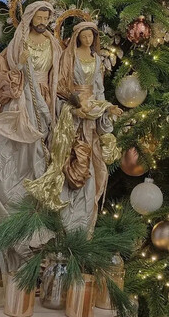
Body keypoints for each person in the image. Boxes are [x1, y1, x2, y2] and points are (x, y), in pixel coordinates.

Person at [0, 1, 63, 272]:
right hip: (22, 103)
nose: (42, 22)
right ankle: (7, 217)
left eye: (46, 18)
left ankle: (33, 227)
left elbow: (57, 75)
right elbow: (4, 72)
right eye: (38, 17)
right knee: (15, 159)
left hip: (45, 103)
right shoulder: (18, 42)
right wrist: (19, 66)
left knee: (39, 162)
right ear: (30, 17)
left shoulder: (52, 43)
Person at [55, 21, 122, 232]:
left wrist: (107, 108)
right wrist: (74, 106)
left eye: (91, 36)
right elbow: (61, 87)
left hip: (91, 113)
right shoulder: (70, 57)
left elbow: (99, 89)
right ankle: (65, 215)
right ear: (77, 37)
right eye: (84, 36)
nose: (87, 40)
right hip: (73, 113)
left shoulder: (96, 59)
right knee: (70, 157)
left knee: (91, 161)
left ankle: (83, 218)